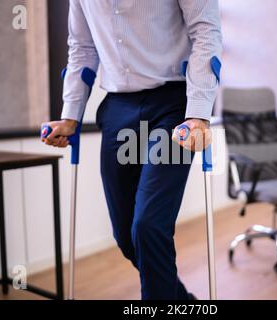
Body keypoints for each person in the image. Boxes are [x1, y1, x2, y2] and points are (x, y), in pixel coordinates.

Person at [42, 0, 222, 300]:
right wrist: (70, 115)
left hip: (173, 109)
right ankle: (182, 302)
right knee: (128, 238)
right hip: (119, 109)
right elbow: (82, 48)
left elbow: (205, 32)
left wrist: (199, 113)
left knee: (149, 226)